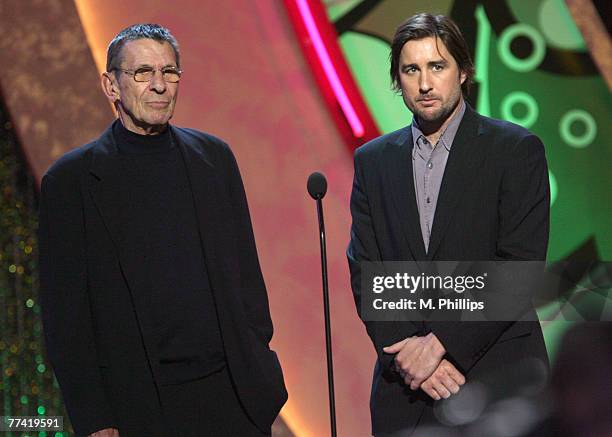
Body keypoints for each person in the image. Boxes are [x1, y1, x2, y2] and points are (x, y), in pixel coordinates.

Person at [38, 24, 286, 437]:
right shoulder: (71, 182)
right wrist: (96, 419)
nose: (159, 86)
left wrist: (259, 370)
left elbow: (246, 280)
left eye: (169, 72)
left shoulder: (214, 159)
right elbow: (67, 319)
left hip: (232, 401)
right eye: (142, 73)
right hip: (137, 406)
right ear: (111, 85)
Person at [347, 13, 550, 436]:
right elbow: (367, 272)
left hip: (498, 378)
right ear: (397, 79)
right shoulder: (373, 161)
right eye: (411, 70)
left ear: (463, 71)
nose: (424, 83)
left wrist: (439, 345)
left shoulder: (515, 150)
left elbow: (518, 268)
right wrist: (410, 359)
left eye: (437, 66)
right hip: (405, 390)